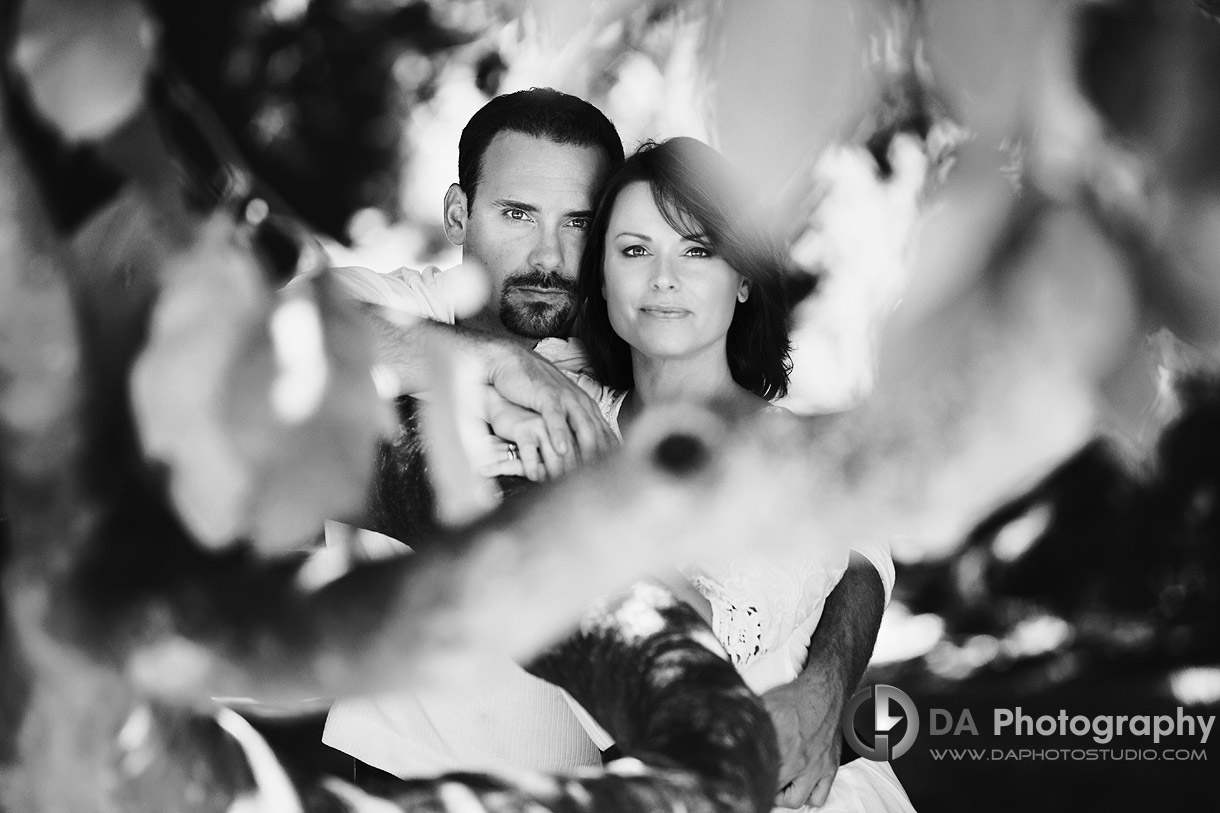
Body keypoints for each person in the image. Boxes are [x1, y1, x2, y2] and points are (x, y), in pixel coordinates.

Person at [327, 90, 895, 808]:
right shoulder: (407, 310)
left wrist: (826, 685)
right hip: (415, 770)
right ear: (458, 214)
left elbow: (859, 543)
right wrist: (495, 364)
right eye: (516, 213)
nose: (547, 254)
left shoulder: (615, 361)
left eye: (578, 223)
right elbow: (283, 330)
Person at [527, 137, 914, 812]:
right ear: (601, 279)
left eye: (698, 250)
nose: (663, 277)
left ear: (742, 278)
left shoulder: (788, 458)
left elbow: (714, 634)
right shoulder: (563, 393)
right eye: (634, 250)